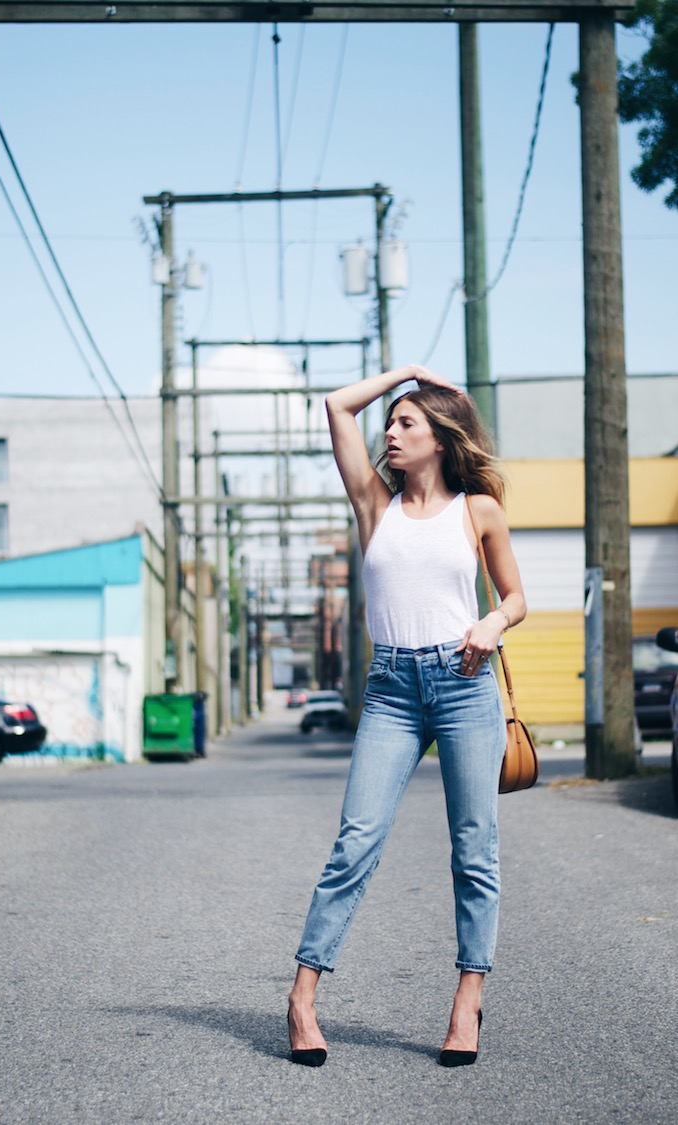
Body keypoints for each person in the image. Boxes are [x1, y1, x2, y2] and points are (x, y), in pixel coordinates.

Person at [287, 364, 527, 1069]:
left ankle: (467, 997)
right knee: (355, 840)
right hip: (391, 686)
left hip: (463, 683)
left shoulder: (478, 509)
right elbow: (335, 404)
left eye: (405, 422)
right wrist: (406, 375)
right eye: (389, 422)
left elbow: (516, 597)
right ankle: (302, 996)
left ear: (440, 438)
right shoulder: (374, 504)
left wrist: (491, 623)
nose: (389, 433)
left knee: (473, 846)